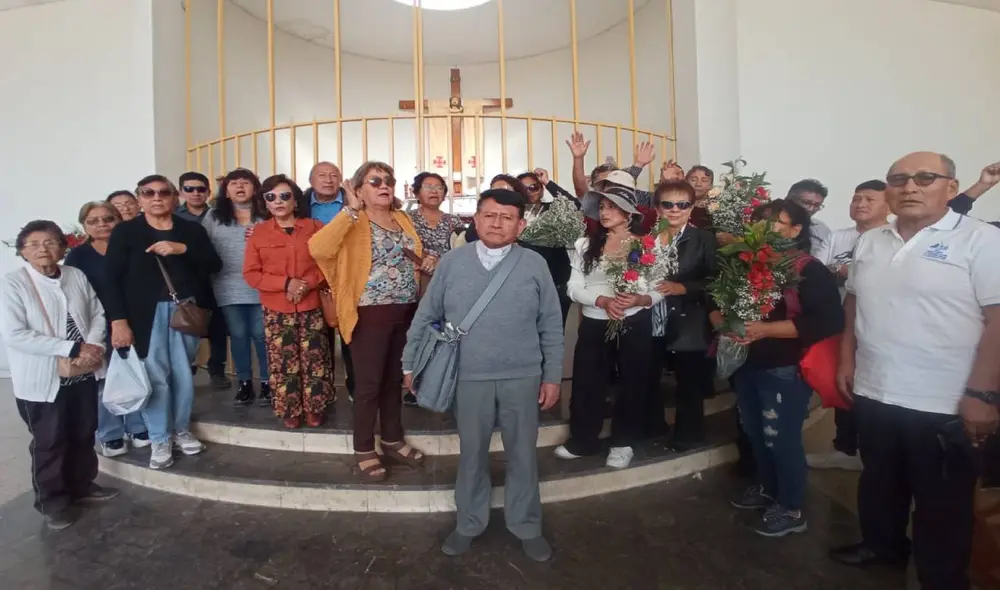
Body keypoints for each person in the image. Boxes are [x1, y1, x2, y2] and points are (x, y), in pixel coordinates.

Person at [830, 152, 1000, 590]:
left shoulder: (979, 239)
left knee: (941, 506)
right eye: (899, 179)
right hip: (874, 390)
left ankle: (940, 579)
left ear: (951, 185)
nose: (910, 187)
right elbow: (854, 303)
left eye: (925, 178)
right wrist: (847, 359)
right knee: (880, 484)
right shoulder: (871, 241)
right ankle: (882, 547)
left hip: (943, 401)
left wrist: (982, 394)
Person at [402, 188, 564, 562]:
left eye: (507, 217)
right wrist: (409, 364)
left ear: (520, 225)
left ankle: (526, 524)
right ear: (475, 220)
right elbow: (426, 316)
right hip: (467, 377)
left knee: (523, 454)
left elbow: (551, 325)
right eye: (490, 215)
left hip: (521, 376)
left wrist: (551, 376)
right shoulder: (452, 263)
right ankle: (468, 522)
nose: (497, 223)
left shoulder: (535, 264)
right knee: (472, 455)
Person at [722, 199, 843, 538]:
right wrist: (725, 321)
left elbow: (827, 320)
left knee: (781, 438)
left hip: (784, 367)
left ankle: (791, 506)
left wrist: (763, 329)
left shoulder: (808, 269)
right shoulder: (748, 263)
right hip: (747, 363)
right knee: (755, 432)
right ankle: (767, 488)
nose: (764, 228)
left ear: (795, 230)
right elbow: (720, 303)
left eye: (775, 222)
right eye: (760, 221)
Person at [309, 161, 426, 481]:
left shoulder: (402, 218)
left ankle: (392, 439)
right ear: (359, 189)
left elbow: (411, 254)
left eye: (388, 180)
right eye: (375, 181)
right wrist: (350, 209)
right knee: (369, 385)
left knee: (393, 382)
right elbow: (318, 248)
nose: (384, 185)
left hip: (405, 310)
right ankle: (364, 447)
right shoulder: (353, 220)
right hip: (369, 313)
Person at [0, 220, 119, 530]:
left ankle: (82, 486)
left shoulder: (74, 275)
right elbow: (15, 335)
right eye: (34, 243)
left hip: (81, 372)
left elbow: (96, 312)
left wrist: (92, 345)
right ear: (22, 251)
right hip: (42, 379)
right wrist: (71, 347)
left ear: (63, 246)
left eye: (51, 241)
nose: (43, 248)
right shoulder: (12, 283)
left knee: (83, 431)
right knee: (50, 441)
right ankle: (52, 502)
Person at [105, 175, 222, 470]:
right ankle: (159, 437)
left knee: (183, 373)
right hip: (144, 314)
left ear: (173, 198)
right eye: (148, 193)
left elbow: (214, 264)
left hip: (184, 310)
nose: (156, 198)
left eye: (163, 192)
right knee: (155, 374)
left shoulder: (190, 230)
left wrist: (182, 249)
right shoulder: (126, 232)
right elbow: (112, 280)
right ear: (140, 198)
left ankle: (180, 429)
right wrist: (118, 321)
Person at [556, 173, 661, 469]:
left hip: (634, 322)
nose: (604, 212)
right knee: (588, 381)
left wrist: (640, 300)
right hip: (594, 322)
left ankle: (623, 442)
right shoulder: (584, 245)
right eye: (601, 207)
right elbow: (573, 287)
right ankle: (583, 440)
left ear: (629, 214)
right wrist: (601, 301)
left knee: (633, 381)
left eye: (612, 207)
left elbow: (659, 287)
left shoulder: (646, 245)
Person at [244, 174, 334, 428]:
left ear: (295, 201)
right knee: (283, 362)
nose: (278, 201)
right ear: (265, 203)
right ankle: (290, 409)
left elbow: (329, 262)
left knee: (314, 359)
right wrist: (286, 283)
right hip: (277, 307)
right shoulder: (258, 233)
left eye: (285, 196)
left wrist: (305, 283)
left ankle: (315, 407)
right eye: (271, 197)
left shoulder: (315, 228)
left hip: (311, 304)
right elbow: (251, 273)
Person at [64, 202, 150, 457]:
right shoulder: (78, 256)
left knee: (134, 372)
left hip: (134, 319)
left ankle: (137, 426)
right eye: (94, 220)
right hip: (94, 325)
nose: (102, 224)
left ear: (118, 220)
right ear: (84, 226)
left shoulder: (133, 248)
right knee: (102, 379)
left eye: (108, 219)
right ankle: (111, 433)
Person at [647, 181, 717, 447]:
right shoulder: (645, 239)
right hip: (650, 318)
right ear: (657, 208)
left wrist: (683, 287)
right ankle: (652, 427)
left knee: (689, 384)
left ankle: (688, 436)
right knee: (647, 378)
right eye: (668, 204)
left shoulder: (704, 239)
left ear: (691, 207)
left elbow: (715, 281)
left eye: (682, 204)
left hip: (688, 320)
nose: (675, 210)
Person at [203, 169, 270, 406]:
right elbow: (205, 249)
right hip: (226, 285)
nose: (240, 187)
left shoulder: (266, 214)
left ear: (255, 188)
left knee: (261, 335)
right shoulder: (213, 216)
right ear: (226, 190)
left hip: (262, 285)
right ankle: (244, 383)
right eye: (234, 183)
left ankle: (267, 382)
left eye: (246, 182)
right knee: (239, 335)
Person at [174, 171, 232, 390]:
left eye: (200, 189)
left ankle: (217, 369)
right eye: (189, 189)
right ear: (181, 192)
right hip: (185, 280)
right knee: (187, 324)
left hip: (216, 277)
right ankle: (186, 368)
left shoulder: (220, 215)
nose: (195, 193)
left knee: (217, 326)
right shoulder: (175, 218)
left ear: (208, 192)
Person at [306, 161, 355, 403]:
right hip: (312, 278)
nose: (328, 179)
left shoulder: (354, 203)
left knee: (351, 334)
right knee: (318, 338)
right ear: (311, 181)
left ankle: (355, 386)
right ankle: (323, 390)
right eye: (322, 175)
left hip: (348, 275)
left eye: (334, 175)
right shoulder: (300, 205)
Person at [516, 169, 583, 325]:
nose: (529, 192)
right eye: (523, 189)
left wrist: (548, 182)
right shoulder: (513, 213)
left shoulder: (554, 209)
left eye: (533, 187)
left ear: (541, 189)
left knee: (555, 330)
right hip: (525, 281)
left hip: (556, 278)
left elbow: (574, 204)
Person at [786, 179, 831, 255]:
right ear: (789, 199)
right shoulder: (771, 222)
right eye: (806, 203)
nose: (811, 209)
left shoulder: (821, 229)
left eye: (817, 205)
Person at [684, 165, 715, 230]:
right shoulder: (678, 207)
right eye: (693, 180)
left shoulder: (717, 209)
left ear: (711, 186)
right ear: (686, 182)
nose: (698, 184)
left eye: (704, 181)